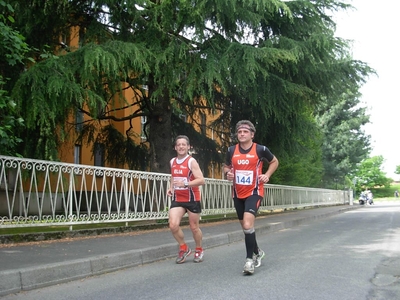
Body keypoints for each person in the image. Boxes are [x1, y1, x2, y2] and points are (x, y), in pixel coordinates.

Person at [223, 120, 279, 275]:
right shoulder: (231, 150)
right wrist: (227, 173)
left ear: (252, 134)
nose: (242, 134)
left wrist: (267, 175)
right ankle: (257, 252)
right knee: (246, 228)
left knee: (248, 224)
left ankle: (249, 261)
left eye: (245, 132)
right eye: (239, 132)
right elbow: (226, 166)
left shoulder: (261, 149)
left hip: (254, 192)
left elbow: (274, 161)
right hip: (237, 193)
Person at [167, 135, 205, 264]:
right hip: (178, 198)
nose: (181, 147)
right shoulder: (172, 161)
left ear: (188, 147)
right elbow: (173, 176)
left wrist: (186, 184)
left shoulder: (191, 161)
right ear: (175, 147)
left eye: (184, 144)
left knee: (194, 227)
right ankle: (184, 248)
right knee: (173, 225)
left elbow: (201, 180)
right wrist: (171, 187)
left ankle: (199, 249)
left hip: (192, 198)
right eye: (179, 145)